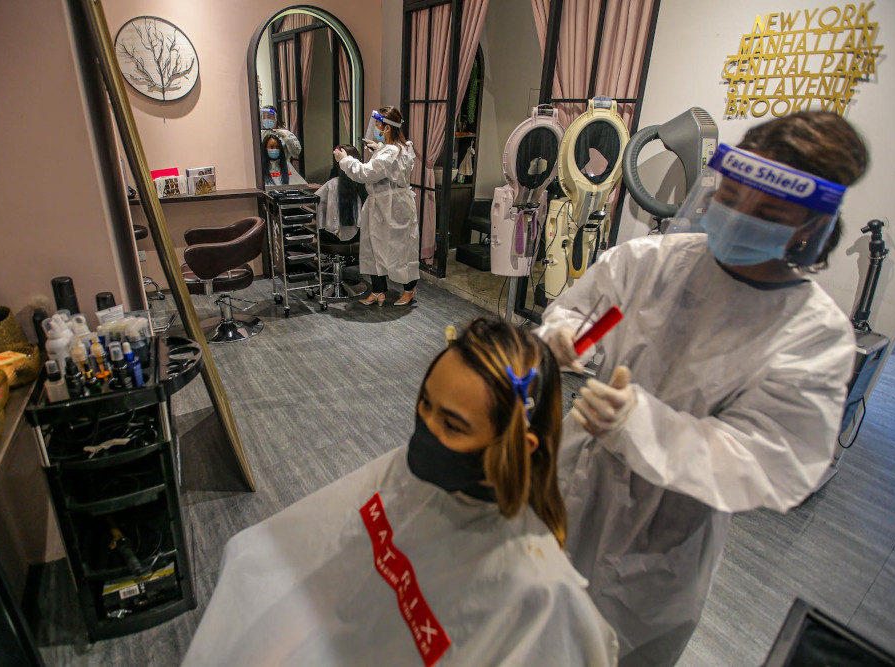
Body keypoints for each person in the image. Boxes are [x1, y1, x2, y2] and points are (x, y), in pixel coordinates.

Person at [537, 111, 869, 666]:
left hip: (661, 538)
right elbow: (593, 317)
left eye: (768, 213)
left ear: (809, 227)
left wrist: (636, 424)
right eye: (732, 196)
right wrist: (567, 338)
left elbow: (767, 458)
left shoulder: (813, 336)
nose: (738, 217)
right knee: (526, 622)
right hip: (569, 482)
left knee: (611, 650)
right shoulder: (652, 264)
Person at [183, 319, 618, 666]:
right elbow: (334, 567)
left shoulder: (540, 596)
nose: (424, 432)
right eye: (425, 405)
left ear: (518, 446)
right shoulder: (415, 474)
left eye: (453, 424)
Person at [334, 107, 420, 307]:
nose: (376, 128)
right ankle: (378, 290)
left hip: (392, 207)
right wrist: (377, 148)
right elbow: (389, 166)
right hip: (385, 205)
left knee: (400, 248)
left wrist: (345, 160)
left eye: (379, 125)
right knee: (374, 247)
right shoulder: (402, 147)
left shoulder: (391, 151)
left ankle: (410, 289)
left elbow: (366, 173)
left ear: (387, 128)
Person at [315, 143, 368, 242]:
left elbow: (315, 201)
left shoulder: (332, 184)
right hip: (360, 235)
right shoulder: (366, 184)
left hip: (332, 236)